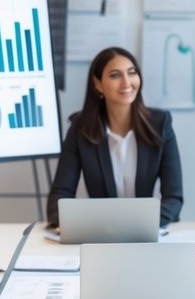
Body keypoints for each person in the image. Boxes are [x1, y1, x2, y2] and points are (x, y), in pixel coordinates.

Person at [47, 47, 183, 229]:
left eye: (132, 73)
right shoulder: (80, 129)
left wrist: (147, 226)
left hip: (146, 233)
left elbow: (173, 198)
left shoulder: (160, 125)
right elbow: (59, 197)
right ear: (98, 84)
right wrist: (80, 226)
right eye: (115, 75)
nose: (127, 82)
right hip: (100, 233)